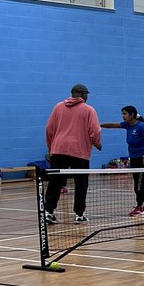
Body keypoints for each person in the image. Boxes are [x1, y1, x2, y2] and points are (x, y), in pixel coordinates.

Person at [43, 83, 102, 224]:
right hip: (79, 151)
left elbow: (49, 129)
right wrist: (97, 143)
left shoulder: (58, 107)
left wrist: (51, 148)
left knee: (54, 183)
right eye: (86, 94)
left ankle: (49, 212)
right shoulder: (89, 110)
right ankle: (79, 214)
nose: (87, 96)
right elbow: (95, 130)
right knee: (81, 184)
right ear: (82, 94)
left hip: (59, 150)